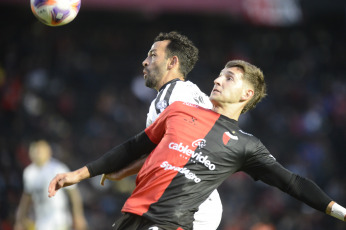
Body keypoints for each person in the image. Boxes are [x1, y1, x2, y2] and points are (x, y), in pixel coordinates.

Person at [48, 60, 346, 230]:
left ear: (247, 94)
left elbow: (291, 182)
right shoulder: (179, 111)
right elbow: (134, 146)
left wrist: (340, 212)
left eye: (228, 78)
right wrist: (78, 174)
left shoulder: (246, 145)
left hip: (170, 224)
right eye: (220, 74)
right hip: (132, 217)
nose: (217, 80)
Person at [100, 31, 222, 230]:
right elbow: (164, 152)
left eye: (153, 55)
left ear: (172, 62)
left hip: (186, 201)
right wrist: (124, 171)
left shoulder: (172, 97)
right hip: (197, 200)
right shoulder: (193, 93)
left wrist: (123, 170)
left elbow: (173, 151)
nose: (145, 62)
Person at [14, 139, 87, 230]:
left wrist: (78, 215)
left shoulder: (58, 168)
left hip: (59, 219)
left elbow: (73, 192)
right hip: (41, 220)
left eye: (40, 151)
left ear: (48, 152)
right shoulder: (28, 173)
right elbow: (26, 197)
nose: (37, 154)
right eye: (34, 151)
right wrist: (20, 219)